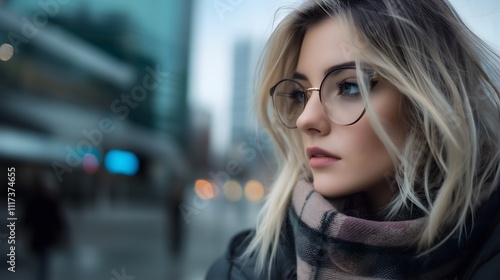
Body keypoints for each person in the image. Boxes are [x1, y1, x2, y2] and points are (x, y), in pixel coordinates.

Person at [206, 0, 500, 279]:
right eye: (299, 94)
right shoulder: (241, 270)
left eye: (348, 87)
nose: (305, 119)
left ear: (429, 97)